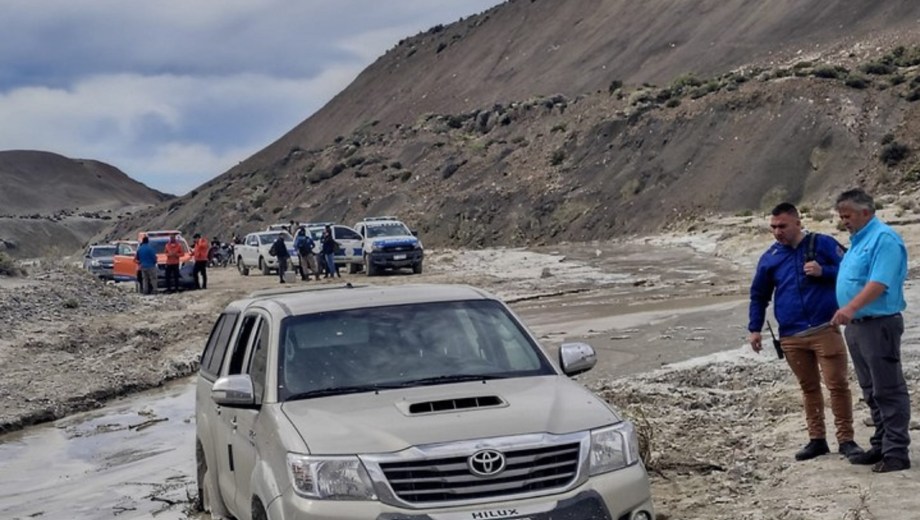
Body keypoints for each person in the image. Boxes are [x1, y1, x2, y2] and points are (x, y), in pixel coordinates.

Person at [748, 202, 863, 461]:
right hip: (790, 336)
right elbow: (759, 295)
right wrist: (754, 328)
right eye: (773, 227)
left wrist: (825, 272)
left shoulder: (821, 244)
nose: (778, 232)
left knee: (837, 385)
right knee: (809, 388)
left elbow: (852, 272)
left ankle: (846, 440)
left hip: (825, 328)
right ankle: (817, 439)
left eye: (783, 226)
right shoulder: (770, 258)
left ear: (798, 223)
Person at [830, 189, 911, 473]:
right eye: (841, 217)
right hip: (857, 327)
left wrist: (850, 308)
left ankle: (896, 452)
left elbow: (879, 283)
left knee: (888, 389)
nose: (844, 221)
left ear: (866, 212)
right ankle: (881, 443)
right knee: (870, 389)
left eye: (847, 215)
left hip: (879, 325)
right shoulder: (857, 240)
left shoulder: (884, 239)